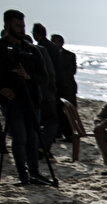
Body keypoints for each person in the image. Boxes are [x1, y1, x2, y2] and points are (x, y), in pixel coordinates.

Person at [0, 9, 52, 185]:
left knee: (32, 138)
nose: (22, 30)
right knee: (19, 138)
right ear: (7, 25)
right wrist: (2, 90)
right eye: (17, 26)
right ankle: (23, 175)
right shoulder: (1, 49)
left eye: (23, 26)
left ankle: (35, 173)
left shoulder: (32, 50)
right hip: (12, 102)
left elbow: (44, 77)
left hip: (32, 100)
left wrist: (28, 76)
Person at [29, 21, 55, 147]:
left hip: (44, 89)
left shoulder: (41, 49)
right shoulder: (50, 47)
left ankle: (41, 146)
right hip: (48, 90)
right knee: (50, 121)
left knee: (48, 120)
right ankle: (42, 147)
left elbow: (48, 72)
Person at [50, 33, 75, 142]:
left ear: (60, 42)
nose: (52, 43)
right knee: (57, 111)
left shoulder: (70, 55)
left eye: (54, 41)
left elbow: (72, 71)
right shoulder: (51, 54)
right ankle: (59, 132)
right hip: (57, 87)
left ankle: (70, 135)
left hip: (68, 87)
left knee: (68, 112)